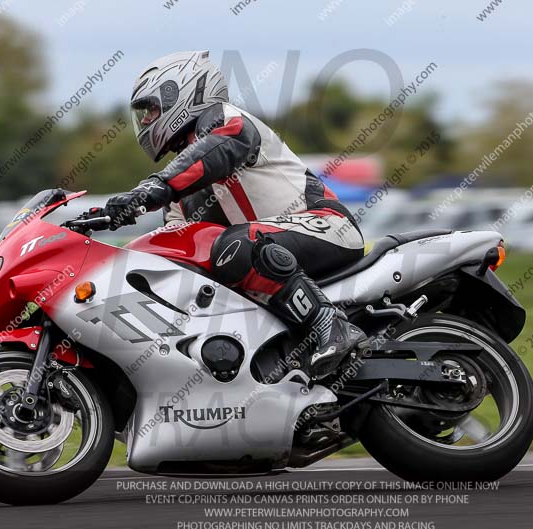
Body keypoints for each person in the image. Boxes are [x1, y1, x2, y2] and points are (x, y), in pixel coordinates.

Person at [99, 51, 366, 379]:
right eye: (143, 113)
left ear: (185, 90)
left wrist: (149, 190)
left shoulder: (226, 120)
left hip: (327, 226)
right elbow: (177, 245)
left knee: (238, 243)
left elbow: (213, 153)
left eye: (151, 108)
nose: (145, 120)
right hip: (273, 251)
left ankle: (333, 327)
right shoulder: (181, 180)